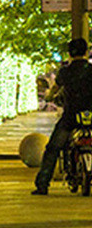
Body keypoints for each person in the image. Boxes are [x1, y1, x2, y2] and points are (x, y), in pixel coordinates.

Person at [33, 37, 92, 195]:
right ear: (86, 52)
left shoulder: (65, 72)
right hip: (91, 114)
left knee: (53, 148)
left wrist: (49, 98)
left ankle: (42, 184)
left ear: (70, 54)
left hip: (71, 116)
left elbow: (55, 89)